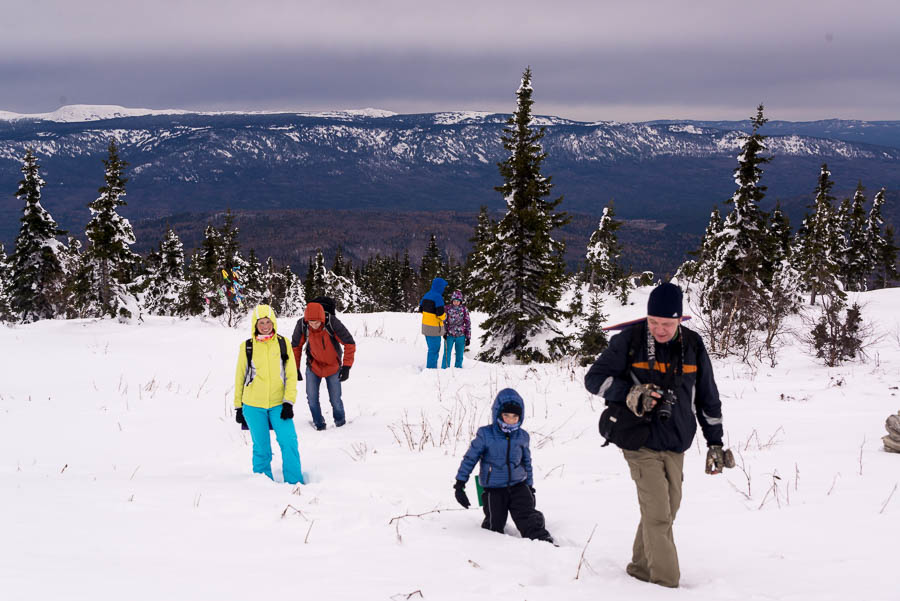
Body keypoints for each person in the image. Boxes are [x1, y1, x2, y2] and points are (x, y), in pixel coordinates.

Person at [584, 282, 726, 588]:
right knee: (659, 513)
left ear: (680, 320)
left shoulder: (693, 346)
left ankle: (639, 567)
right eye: (653, 322)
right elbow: (593, 379)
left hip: (675, 441)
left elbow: (708, 398)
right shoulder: (630, 341)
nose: (659, 330)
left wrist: (715, 442)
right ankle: (665, 584)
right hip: (638, 439)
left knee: (667, 507)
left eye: (667, 323)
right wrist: (630, 392)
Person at [453, 388, 553, 543]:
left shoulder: (522, 436)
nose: (510, 419)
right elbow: (470, 458)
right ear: (498, 413)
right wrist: (460, 484)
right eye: (506, 415)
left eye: (514, 416)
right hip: (494, 488)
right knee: (494, 525)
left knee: (527, 517)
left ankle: (543, 541)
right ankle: (496, 552)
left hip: (518, 485)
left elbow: (526, 462)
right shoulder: (485, 434)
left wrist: (530, 487)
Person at [233, 304, 303, 484]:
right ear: (255, 325)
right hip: (253, 405)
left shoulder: (283, 343)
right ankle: (263, 486)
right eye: (261, 322)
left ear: (273, 322)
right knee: (261, 448)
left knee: (289, 443)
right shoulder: (247, 347)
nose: (265, 326)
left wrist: (289, 402)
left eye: (268, 321)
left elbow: (291, 375)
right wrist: (238, 407)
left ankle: (295, 483)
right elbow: (240, 377)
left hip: (279, 404)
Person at [291, 301, 356, 431]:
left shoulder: (332, 323)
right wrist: (295, 368)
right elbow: (296, 347)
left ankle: (340, 423)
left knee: (335, 399)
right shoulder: (302, 324)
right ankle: (319, 424)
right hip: (313, 365)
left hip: (333, 366)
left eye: (317, 322)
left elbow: (349, 343)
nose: (314, 325)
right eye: (311, 322)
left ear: (322, 318)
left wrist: (347, 366)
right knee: (312, 398)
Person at [419, 277, 447, 369]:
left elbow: (421, 309)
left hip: (425, 326)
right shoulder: (438, 297)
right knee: (434, 350)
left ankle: (431, 367)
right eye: (443, 287)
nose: (444, 289)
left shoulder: (426, 295)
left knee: (431, 349)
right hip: (434, 328)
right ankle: (431, 369)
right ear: (440, 287)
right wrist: (445, 317)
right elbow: (440, 313)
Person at [441, 289, 471, 369]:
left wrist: (468, 337)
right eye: (454, 300)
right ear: (452, 300)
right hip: (449, 335)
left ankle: (458, 369)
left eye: (458, 301)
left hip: (461, 335)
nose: (456, 302)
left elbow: (468, 323)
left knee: (459, 354)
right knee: (447, 353)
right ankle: (444, 369)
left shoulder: (464, 309)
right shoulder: (447, 308)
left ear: (460, 301)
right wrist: (444, 332)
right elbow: (443, 321)